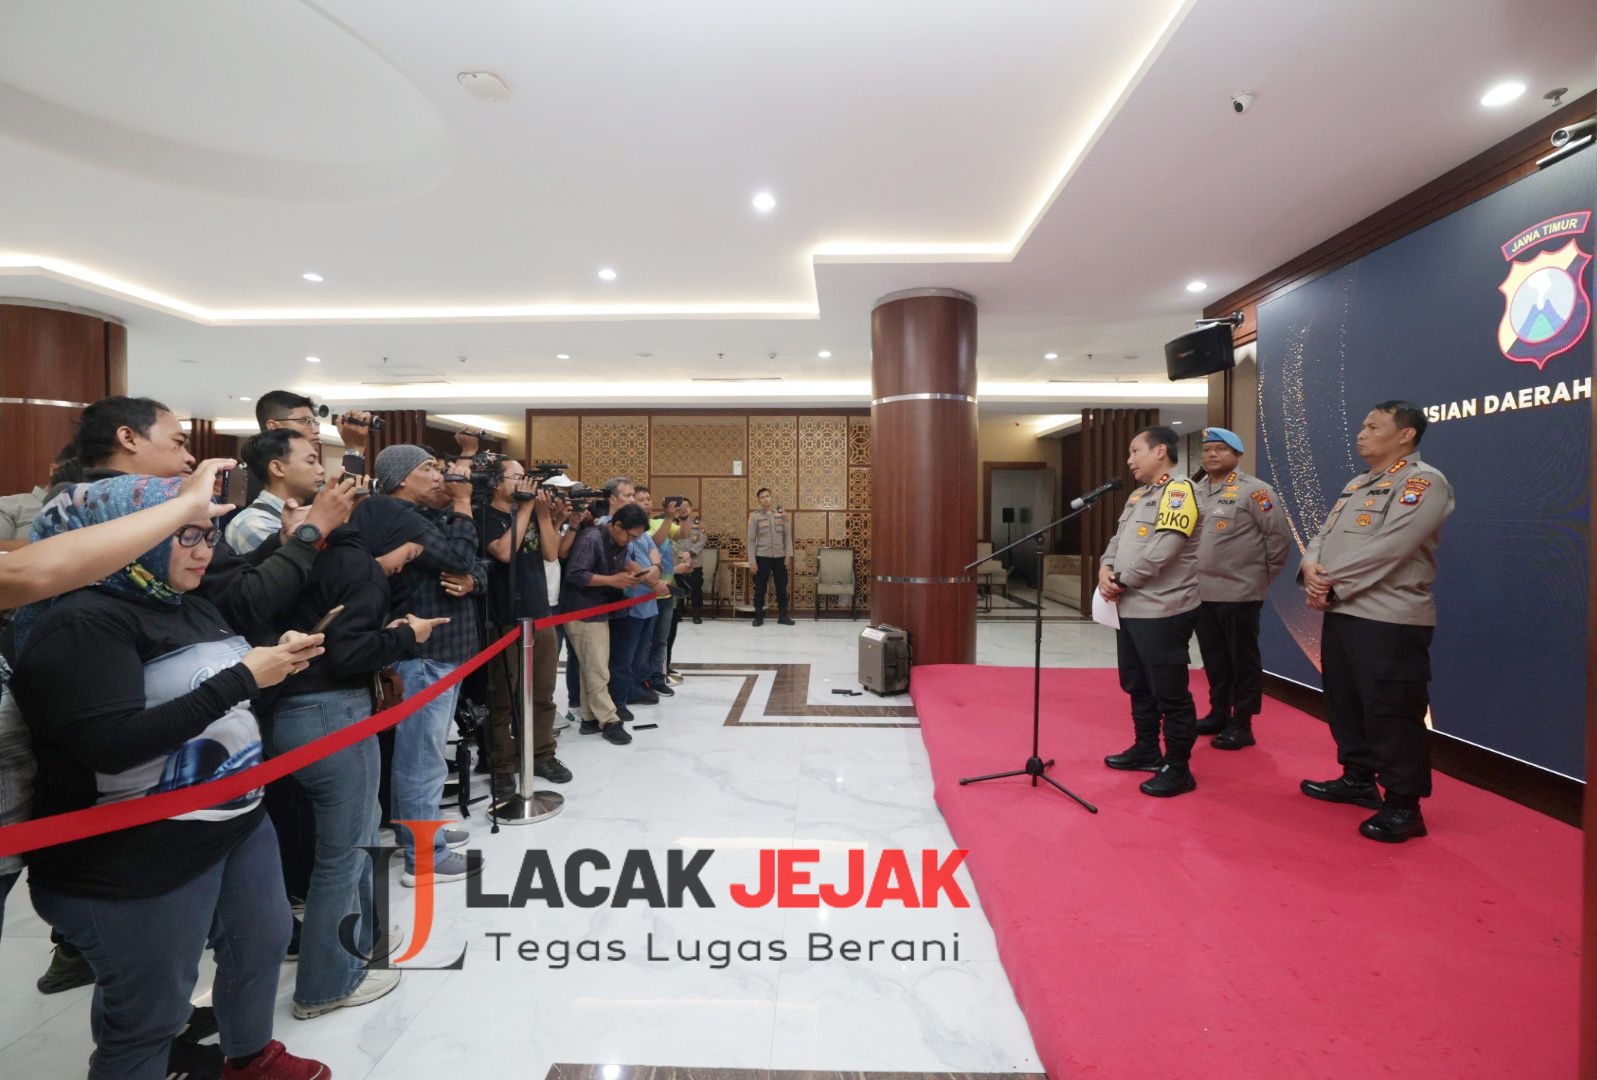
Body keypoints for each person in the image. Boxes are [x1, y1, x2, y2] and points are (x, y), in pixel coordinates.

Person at [9, 474, 330, 1080]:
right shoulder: (83, 621)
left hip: (233, 822)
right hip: (137, 853)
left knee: (260, 944)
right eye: (185, 535)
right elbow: (111, 746)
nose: (204, 550)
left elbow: (222, 700)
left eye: (208, 535)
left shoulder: (184, 600)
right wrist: (242, 679)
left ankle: (250, 1055)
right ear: (124, 538)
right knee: (149, 1016)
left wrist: (274, 666)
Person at [268, 493, 450, 1018]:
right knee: (344, 853)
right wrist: (407, 636)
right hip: (332, 713)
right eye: (406, 554)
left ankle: (364, 937)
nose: (403, 567)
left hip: (290, 709)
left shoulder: (309, 556)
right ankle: (328, 984)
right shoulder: (361, 568)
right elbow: (349, 653)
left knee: (356, 834)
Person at [1298, 401, 1454, 843]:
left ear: (1406, 435)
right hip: (1343, 611)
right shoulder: (1358, 483)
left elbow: (1392, 546)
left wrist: (1328, 580)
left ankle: (1404, 806)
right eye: (1362, 425)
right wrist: (1310, 567)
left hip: (1389, 618)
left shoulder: (1423, 482)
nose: (1361, 433)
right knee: (1345, 702)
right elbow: (1323, 536)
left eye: (1373, 426)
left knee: (1392, 711)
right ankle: (1358, 778)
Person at [375, 445, 484, 886]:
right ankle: (424, 859)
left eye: (439, 467)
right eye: (428, 468)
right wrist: (463, 503)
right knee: (422, 759)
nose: (440, 475)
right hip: (424, 655)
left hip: (444, 652)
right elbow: (458, 558)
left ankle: (416, 834)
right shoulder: (402, 519)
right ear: (401, 478)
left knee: (424, 754)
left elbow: (473, 565)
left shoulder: (428, 516)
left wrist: (472, 580)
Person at [1097, 425, 1203, 798]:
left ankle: (1178, 767)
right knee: (1138, 684)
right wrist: (1105, 568)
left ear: (1160, 451)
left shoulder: (1180, 491)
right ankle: (1146, 748)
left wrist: (1124, 578)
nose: (1129, 460)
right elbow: (1116, 540)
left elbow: (1166, 546)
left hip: (1163, 609)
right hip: (1128, 608)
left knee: (1170, 691)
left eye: (1135, 451)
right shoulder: (1139, 495)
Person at [1191, 427, 1289, 750]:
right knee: (1214, 658)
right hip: (1201, 592)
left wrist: (1260, 578)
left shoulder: (1255, 491)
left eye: (1220, 449)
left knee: (1242, 659)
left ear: (1237, 455)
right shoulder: (1195, 491)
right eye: (1207, 450)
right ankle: (1219, 712)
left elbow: (1278, 538)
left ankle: (1242, 722)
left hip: (1240, 592)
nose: (1211, 455)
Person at [482, 461, 571, 798]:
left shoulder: (531, 512)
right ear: (496, 482)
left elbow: (551, 553)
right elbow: (504, 553)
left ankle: (541, 754)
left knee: (542, 693)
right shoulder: (484, 515)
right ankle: (503, 765)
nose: (526, 483)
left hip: (539, 613)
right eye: (518, 477)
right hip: (504, 618)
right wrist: (526, 508)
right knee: (502, 699)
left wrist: (543, 514)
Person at [563, 503, 650, 745]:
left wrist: (630, 577)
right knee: (599, 669)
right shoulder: (591, 538)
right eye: (630, 536)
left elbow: (615, 570)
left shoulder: (617, 541)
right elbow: (575, 574)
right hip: (581, 610)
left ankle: (590, 718)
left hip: (599, 609)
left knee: (591, 666)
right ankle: (610, 720)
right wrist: (612, 580)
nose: (630, 541)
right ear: (617, 525)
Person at [227, 430, 326, 555]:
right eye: (311, 461)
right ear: (278, 468)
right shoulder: (253, 523)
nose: (321, 470)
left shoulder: (303, 512)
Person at [611, 486, 661, 710]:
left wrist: (656, 568)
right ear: (613, 499)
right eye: (629, 496)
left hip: (647, 601)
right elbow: (624, 562)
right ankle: (620, 700)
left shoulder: (641, 531)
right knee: (624, 656)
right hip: (631, 601)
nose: (633, 500)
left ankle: (635, 689)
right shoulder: (614, 527)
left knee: (641, 652)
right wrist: (652, 580)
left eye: (635, 496)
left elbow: (653, 551)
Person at [748, 487, 794, 626]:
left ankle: (783, 616)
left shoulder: (780, 514)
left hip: (779, 557)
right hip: (762, 557)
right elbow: (751, 540)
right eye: (762, 497)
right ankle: (758, 617)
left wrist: (788, 555)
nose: (765, 499)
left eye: (767, 496)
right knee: (760, 587)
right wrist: (752, 561)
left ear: (771, 497)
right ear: (758, 500)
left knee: (781, 586)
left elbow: (787, 536)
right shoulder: (754, 517)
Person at [680, 507, 709, 624]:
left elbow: (703, 539)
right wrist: (681, 554)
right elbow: (671, 541)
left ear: (691, 509)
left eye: (686, 506)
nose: (684, 509)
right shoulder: (674, 523)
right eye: (681, 506)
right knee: (678, 587)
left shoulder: (698, 524)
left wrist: (690, 553)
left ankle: (696, 614)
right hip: (678, 562)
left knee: (696, 589)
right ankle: (678, 613)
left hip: (695, 563)